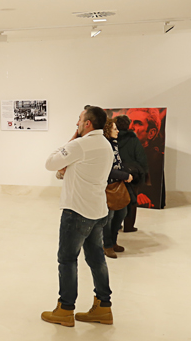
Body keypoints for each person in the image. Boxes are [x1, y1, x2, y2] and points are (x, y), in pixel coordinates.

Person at [42, 106, 115, 327]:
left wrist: (72, 140)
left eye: (80, 120)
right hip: (97, 211)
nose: (77, 123)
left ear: (88, 124)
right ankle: (104, 306)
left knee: (67, 260)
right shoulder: (106, 145)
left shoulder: (81, 144)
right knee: (96, 260)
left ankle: (65, 309)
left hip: (77, 212)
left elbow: (50, 163)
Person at [102, 118, 133, 258]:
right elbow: (106, 169)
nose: (118, 131)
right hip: (107, 186)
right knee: (108, 218)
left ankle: (113, 242)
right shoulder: (104, 146)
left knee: (121, 213)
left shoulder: (114, 144)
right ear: (107, 130)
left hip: (117, 185)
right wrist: (124, 175)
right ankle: (107, 245)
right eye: (115, 129)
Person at [115, 115, 149, 233]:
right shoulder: (133, 139)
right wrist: (144, 174)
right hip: (132, 175)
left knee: (116, 200)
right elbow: (141, 158)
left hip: (116, 174)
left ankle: (116, 225)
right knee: (132, 200)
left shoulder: (111, 139)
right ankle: (129, 226)